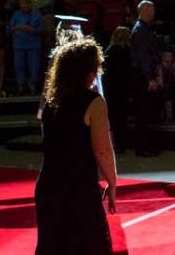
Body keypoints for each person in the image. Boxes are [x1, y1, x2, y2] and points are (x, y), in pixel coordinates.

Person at [35, 39, 116, 255]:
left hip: (48, 185)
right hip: (78, 187)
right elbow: (102, 150)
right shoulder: (94, 102)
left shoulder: (51, 103)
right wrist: (113, 182)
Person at [130, 0, 162, 157]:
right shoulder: (140, 30)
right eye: (152, 10)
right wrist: (150, 78)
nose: (153, 13)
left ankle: (146, 146)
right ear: (144, 11)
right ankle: (142, 148)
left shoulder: (145, 29)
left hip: (144, 74)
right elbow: (143, 57)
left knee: (146, 112)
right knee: (143, 112)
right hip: (142, 76)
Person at [103, 26, 132, 153]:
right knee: (119, 118)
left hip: (110, 88)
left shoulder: (109, 50)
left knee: (113, 118)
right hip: (118, 89)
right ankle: (120, 145)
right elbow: (122, 72)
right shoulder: (121, 51)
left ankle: (114, 144)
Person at [11, 0, 45, 95]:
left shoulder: (37, 15)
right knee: (19, 65)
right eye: (22, 4)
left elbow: (42, 30)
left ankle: (32, 84)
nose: (24, 6)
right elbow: (11, 28)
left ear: (30, 5)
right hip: (19, 44)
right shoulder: (16, 14)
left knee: (34, 65)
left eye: (26, 4)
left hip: (34, 45)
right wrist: (19, 27)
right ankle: (20, 85)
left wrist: (31, 29)